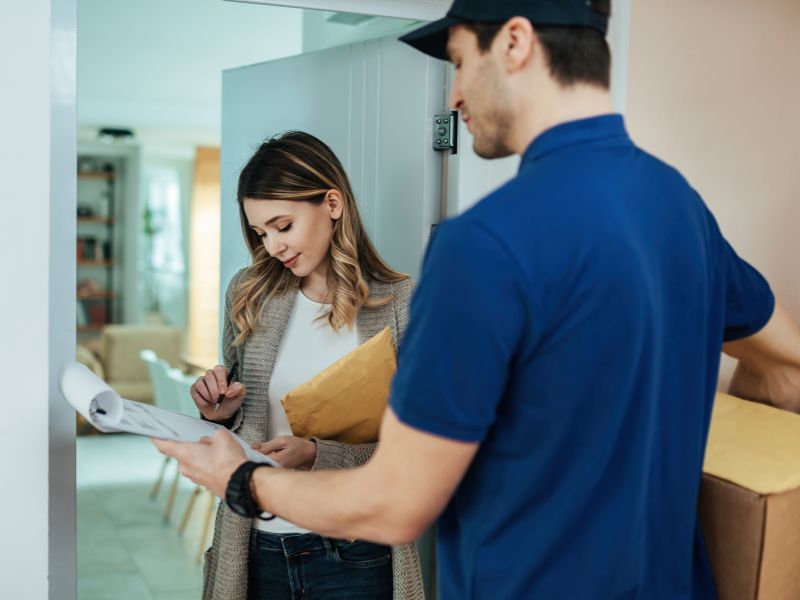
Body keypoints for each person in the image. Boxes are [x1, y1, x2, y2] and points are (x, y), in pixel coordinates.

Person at [155, 1, 800, 598]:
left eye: (461, 61)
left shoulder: (482, 246)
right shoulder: (680, 210)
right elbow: (785, 364)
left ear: (515, 42)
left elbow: (397, 502)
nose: (455, 91)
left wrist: (239, 481)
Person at [189, 131, 423, 600]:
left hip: (356, 552)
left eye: (283, 226)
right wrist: (219, 412)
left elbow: (416, 457)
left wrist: (319, 455)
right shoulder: (249, 292)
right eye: (261, 233)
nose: (273, 245)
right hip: (255, 546)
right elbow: (243, 417)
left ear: (332, 203)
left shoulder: (401, 304)